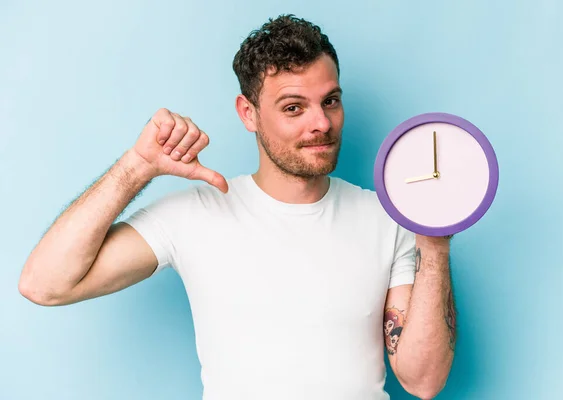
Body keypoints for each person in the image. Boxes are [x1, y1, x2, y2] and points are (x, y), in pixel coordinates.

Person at [19, 14, 456, 400]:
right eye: (293, 107)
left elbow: (423, 381)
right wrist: (137, 167)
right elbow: (44, 285)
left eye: (331, 101)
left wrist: (434, 245)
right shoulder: (194, 216)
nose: (320, 122)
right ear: (248, 114)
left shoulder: (387, 217)